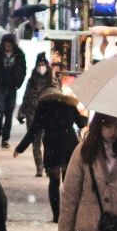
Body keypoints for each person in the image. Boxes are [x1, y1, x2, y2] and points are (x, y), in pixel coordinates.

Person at [15, 86, 86, 221]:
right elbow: (81, 123)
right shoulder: (68, 104)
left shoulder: (44, 107)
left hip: (53, 147)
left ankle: (56, 216)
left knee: (54, 182)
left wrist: (20, 148)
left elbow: (34, 130)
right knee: (69, 184)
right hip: (69, 146)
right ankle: (70, 214)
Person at [17, 54, 58, 177]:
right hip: (32, 113)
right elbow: (26, 95)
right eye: (39, 65)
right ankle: (39, 167)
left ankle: (47, 165)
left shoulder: (53, 80)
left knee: (48, 142)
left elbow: (57, 96)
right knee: (36, 143)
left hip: (48, 114)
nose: (41, 67)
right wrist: (22, 111)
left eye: (43, 64)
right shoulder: (32, 80)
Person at [0, 37, 27, 147]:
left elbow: (23, 70)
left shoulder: (19, 55)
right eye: (6, 44)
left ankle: (5, 138)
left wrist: (18, 82)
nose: (8, 46)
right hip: (0, 86)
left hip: (12, 87)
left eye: (10, 45)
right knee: (0, 111)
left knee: (9, 113)